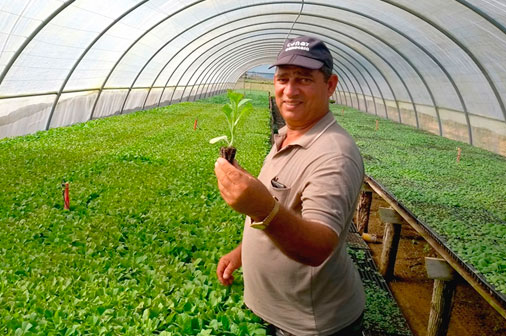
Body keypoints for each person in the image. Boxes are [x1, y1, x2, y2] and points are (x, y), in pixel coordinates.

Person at [214, 36, 365, 336]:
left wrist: (260, 207)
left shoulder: (335, 154)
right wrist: (242, 252)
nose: (290, 90)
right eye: (283, 78)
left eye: (304, 79)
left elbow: (319, 246)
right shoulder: (288, 133)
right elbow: (285, 207)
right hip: (284, 317)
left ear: (330, 85)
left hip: (312, 326)